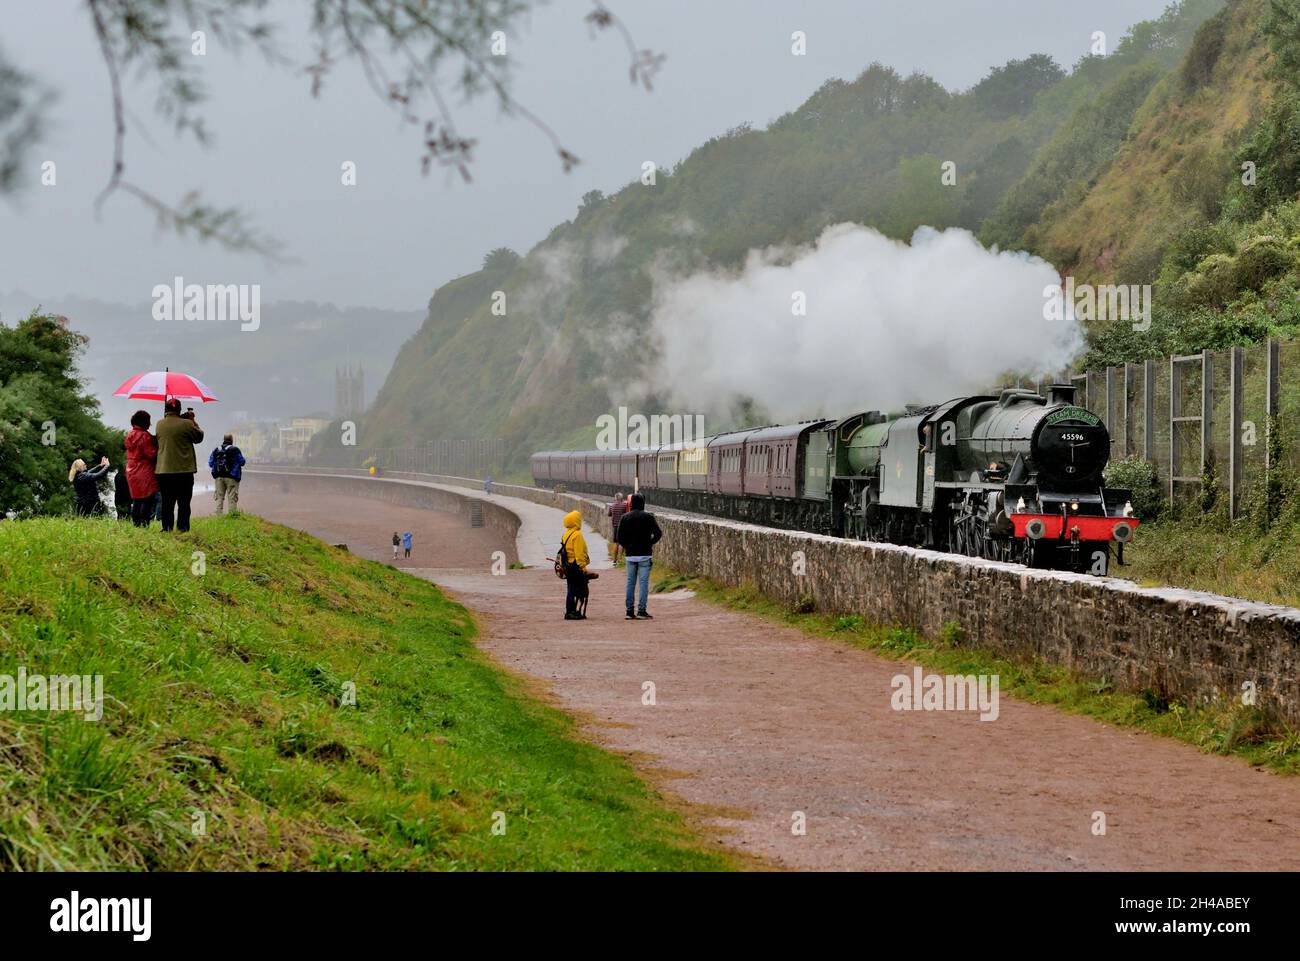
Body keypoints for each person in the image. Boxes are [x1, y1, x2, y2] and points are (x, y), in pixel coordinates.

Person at [154, 398, 204, 532]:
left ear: (166, 410)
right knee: (184, 502)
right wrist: (192, 420)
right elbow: (199, 437)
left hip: (164, 470)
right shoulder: (187, 424)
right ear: (180, 410)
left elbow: (171, 428)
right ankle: (182, 528)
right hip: (184, 470)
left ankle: (167, 528)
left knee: (167, 502)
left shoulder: (159, 424)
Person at [616, 492, 663, 620]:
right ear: (643, 503)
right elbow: (658, 533)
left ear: (631, 504)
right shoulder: (648, 517)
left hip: (630, 555)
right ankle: (642, 611)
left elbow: (619, 538)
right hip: (644, 555)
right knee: (643, 584)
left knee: (630, 583)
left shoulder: (625, 518)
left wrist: (627, 546)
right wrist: (649, 543)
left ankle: (629, 611)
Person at [124, 410, 160, 527]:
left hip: (131, 469)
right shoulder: (144, 436)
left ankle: (135, 524)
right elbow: (152, 454)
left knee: (136, 499)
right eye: (148, 421)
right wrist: (157, 444)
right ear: (144, 422)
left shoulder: (129, 435)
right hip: (144, 470)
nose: (150, 424)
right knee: (147, 499)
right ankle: (144, 524)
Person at [561, 510, 591, 620]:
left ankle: (571, 610)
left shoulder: (566, 534)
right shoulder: (577, 535)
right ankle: (571, 611)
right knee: (576, 589)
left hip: (568, 565)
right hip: (575, 566)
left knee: (570, 588)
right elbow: (578, 553)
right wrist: (583, 567)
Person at [209, 433, 246, 515]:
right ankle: (232, 516)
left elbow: (210, 463)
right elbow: (242, 462)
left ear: (224, 439)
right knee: (232, 497)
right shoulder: (235, 450)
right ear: (232, 440)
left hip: (218, 477)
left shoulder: (216, 450)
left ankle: (218, 515)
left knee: (219, 497)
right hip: (232, 478)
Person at [607, 491, 626, 563]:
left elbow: (609, 514)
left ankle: (614, 559)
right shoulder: (624, 505)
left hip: (615, 526)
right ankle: (620, 559)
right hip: (622, 526)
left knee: (616, 543)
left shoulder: (612, 506)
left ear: (615, 498)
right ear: (621, 498)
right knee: (621, 543)